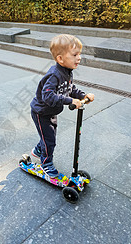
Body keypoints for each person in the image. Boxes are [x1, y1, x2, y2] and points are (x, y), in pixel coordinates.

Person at [30, 34, 94, 178]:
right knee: (50, 140)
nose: (79, 58)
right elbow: (48, 96)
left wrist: (83, 96)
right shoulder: (54, 75)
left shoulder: (67, 73)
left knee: (49, 137)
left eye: (80, 54)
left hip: (51, 111)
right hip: (41, 112)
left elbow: (70, 89)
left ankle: (39, 149)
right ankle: (46, 164)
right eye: (75, 54)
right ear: (60, 59)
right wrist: (69, 101)